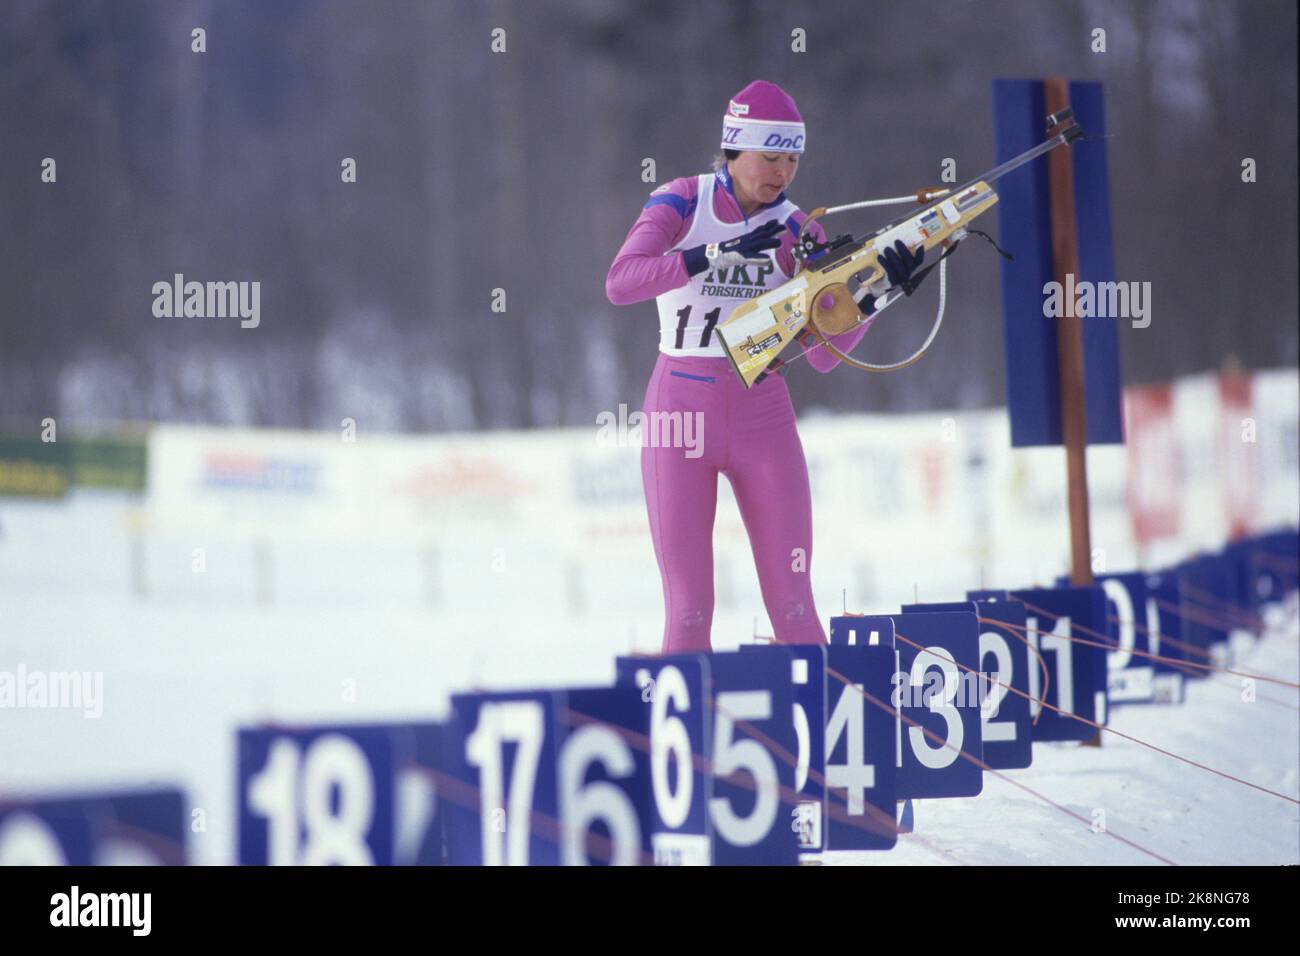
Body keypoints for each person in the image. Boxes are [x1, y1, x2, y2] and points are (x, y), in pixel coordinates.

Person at [605, 80, 923, 652]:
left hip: (762, 416)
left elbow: (825, 355)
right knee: (689, 611)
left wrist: (874, 294)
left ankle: (817, 736)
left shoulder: (800, 233)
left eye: (794, 159)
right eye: (770, 156)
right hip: (680, 413)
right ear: (733, 149)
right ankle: (691, 742)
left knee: (796, 605)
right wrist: (707, 256)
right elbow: (621, 282)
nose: (782, 172)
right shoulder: (680, 200)